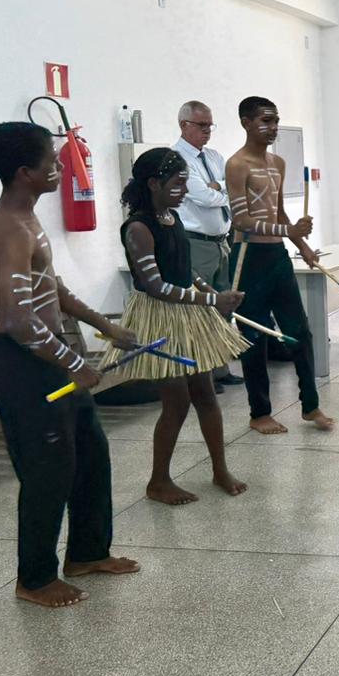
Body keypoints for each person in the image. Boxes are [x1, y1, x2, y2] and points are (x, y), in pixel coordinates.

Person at [0, 122, 141, 608]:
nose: (60, 168)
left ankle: (88, 552)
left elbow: (53, 289)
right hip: (24, 366)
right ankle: (35, 579)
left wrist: (105, 327)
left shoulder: (28, 218)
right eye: (51, 162)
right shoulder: (7, 228)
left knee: (90, 457)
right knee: (47, 472)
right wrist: (74, 363)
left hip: (51, 359)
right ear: (24, 172)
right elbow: (17, 320)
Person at [103, 148, 249, 505]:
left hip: (189, 314)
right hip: (160, 318)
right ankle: (158, 481)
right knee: (177, 403)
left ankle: (220, 469)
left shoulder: (172, 217)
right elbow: (155, 286)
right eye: (178, 184)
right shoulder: (138, 227)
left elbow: (184, 269)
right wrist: (211, 301)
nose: (184, 191)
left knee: (206, 395)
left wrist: (209, 290)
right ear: (154, 184)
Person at [226, 96, 335, 434]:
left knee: (299, 331)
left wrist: (303, 246)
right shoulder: (237, 164)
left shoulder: (278, 163)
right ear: (246, 122)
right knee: (254, 336)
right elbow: (241, 220)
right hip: (248, 259)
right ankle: (259, 412)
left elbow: (278, 212)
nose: (273, 127)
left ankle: (311, 405)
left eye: (275, 121)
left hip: (277, 257)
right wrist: (289, 232)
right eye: (265, 121)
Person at [173, 100, 242, 392]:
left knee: (223, 305)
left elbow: (233, 187)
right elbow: (204, 197)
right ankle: (202, 376)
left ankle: (220, 368)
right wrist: (218, 188)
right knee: (201, 308)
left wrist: (218, 186)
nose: (207, 131)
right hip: (196, 243)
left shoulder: (214, 156)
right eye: (202, 125)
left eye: (210, 125)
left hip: (221, 242)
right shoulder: (177, 158)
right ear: (184, 125)